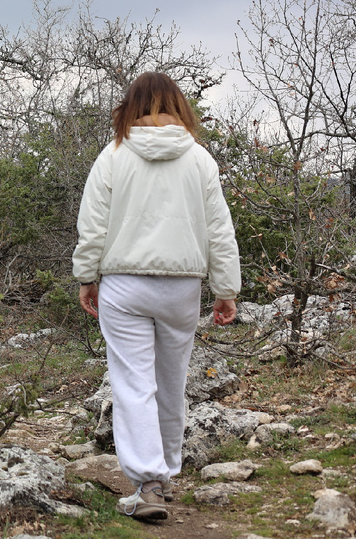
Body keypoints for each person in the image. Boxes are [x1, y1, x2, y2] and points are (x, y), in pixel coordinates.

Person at [72, 72, 240, 522]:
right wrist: (226, 289)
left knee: (133, 385)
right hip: (182, 287)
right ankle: (163, 478)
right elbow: (219, 231)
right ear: (178, 106)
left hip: (125, 285)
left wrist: (86, 277)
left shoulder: (112, 157)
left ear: (130, 106)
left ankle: (147, 485)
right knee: (171, 383)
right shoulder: (201, 160)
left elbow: (92, 228)